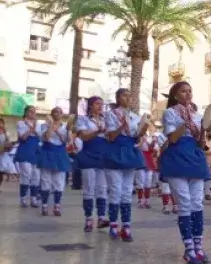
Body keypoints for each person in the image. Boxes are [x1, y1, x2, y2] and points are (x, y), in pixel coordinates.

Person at [159, 81, 211, 264]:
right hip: (176, 158)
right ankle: (188, 248)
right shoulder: (170, 113)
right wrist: (187, 122)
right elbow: (172, 138)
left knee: (197, 202)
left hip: (195, 158)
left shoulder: (198, 116)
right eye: (183, 91)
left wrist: (204, 129)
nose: (188, 94)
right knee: (184, 202)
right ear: (175, 95)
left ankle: (198, 245)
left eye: (190, 90)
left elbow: (200, 143)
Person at [104, 88, 147, 241]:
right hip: (115, 152)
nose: (128, 98)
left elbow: (135, 138)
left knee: (127, 191)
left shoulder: (134, 116)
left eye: (130, 95)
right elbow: (110, 136)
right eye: (124, 95)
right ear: (117, 98)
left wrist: (141, 132)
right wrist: (122, 125)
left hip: (129, 152)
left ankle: (127, 226)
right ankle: (113, 225)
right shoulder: (110, 114)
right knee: (115, 190)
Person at [75, 96, 110, 232]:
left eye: (101, 104)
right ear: (90, 106)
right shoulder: (83, 119)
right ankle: (88, 218)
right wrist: (97, 132)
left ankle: (101, 217)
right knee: (89, 189)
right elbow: (84, 136)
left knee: (102, 188)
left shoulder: (106, 119)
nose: (100, 106)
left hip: (102, 156)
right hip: (89, 155)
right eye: (97, 104)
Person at [37, 107, 71, 216]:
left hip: (60, 154)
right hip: (47, 152)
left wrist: (61, 131)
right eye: (55, 112)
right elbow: (46, 137)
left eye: (60, 112)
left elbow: (68, 141)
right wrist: (51, 125)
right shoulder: (44, 125)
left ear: (62, 114)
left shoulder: (66, 127)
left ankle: (57, 206)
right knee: (45, 180)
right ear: (52, 114)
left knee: (59, 182)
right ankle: (44, 206)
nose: (57, 114)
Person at [15, 105, 41, 208]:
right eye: (30, 111)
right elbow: (23, 137)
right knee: (26, 175)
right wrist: (31, 129)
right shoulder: (21, 123)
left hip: (36, 151)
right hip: (25, 150)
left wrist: (33, 128)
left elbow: (40, 137)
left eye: (34, 111)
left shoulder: (38, 124)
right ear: (26, 113)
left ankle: (33, 199)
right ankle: (23, 198)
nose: (33, 113)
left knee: (36, 176)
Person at [135, 131, 157, 209]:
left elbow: (151, 150)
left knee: (148, 183)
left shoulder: (147, 141)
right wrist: (142, 141)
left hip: (149, 164)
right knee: (140, 183)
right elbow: (136, 148)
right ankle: (140, 200)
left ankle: (147, 200)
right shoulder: (137, 140)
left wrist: (153, 142)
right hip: (140, 164)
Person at [0, 118, 15, 190]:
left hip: (2, 155)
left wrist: (5, 133)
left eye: (1, 123)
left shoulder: (6, 133)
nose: (0, 125)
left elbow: (9, 143)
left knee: (1, 173)